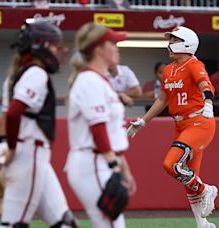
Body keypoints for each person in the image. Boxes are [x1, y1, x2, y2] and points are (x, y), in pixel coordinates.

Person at [127, 26, 218, 228]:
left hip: (199, 122)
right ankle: (202, 224)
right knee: (188, 179)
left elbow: (206, 85)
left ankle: (206, 190)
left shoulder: (194, 64)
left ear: (187, 43)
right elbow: (162, 100)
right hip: (181, 124)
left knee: (171, 165)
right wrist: (143, 121)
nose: (169, 44)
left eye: (174, 40)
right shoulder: (169, 69)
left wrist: (209, 103)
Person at [0, 21, 77, 228]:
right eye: (53, 45)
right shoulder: (36, 73)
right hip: (29, 153)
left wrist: (4, 145)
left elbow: (7, 116)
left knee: (64, 222)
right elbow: (14, 112)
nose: (58, 50)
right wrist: (12, 149)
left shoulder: (18, 73)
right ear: (39, 46)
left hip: (30, 155)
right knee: (14, 224)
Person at [66, 22, 137, 228]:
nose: (116, 48)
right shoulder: (90, 80)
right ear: (98, 48)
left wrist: (124, 168)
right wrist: (114, 165)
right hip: (93, 162)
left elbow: (112, 133)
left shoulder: (100, 80)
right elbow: (98, 129)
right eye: (112, 43)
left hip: (101, 161)